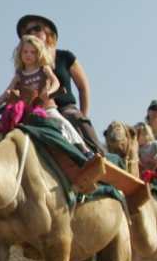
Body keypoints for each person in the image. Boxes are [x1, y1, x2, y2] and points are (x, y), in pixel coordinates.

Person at [15, 14, 104, 155]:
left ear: (48, 32)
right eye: (27, 32)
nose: (32, 33)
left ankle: (98, 157)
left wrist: (83, 116)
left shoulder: (64, 56)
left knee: (73, 118)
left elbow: (83, 87)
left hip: (65, 109)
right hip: (38, 111)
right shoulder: (25, 66)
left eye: (36, 28)